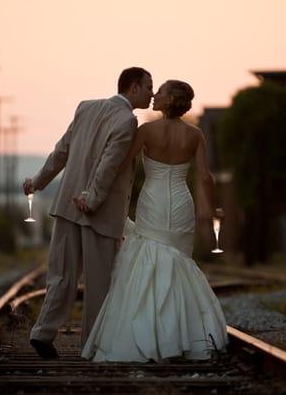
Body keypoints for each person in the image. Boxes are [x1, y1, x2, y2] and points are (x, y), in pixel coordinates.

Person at [81, 80, 228, 362]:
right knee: (178, 263)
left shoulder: (147, 131)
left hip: (152, 201)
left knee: (149, 260)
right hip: (182, 202)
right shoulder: (195, 135)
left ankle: (149, 333)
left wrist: (95, 192)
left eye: (159, 92)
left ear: (171, 100)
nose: (155, 96)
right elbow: (205, 177)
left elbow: (121, 164)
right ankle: (182, 334)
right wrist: (212, 208)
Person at [22, 67, 153, 358]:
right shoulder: (126, 120)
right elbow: (110, 163)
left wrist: (37, 182)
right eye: (148, 87)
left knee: (61, 275)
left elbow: (61, 151)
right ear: (132, 88)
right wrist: (91, 199)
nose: (152, 93)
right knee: (98, 284)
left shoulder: (86, 107)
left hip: (67, 206)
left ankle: (42, 333)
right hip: (99, 213)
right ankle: (90, 345)